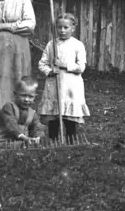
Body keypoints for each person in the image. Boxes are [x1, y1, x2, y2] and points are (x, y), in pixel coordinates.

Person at [37, 12, 90, 143]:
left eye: (66, 27)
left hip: (70, 87)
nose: (62, 30)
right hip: (54, 85)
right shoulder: (51, 45)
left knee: (69, 119)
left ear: (73, 28)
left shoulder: (77, 45)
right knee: (53, 118)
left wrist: (64, 65)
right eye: (59, 27)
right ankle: (53, 143)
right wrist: (50, 71)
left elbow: (80, 67)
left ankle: (71, 143)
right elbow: (42, 63)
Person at [0, 76, 45, 146]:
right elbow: (10, 124)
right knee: (20, 146)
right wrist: (24, 137)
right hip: (4, 141)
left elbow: (37, 127)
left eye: (30, 96)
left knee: (31, 145)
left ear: (35, 97)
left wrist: (37, 137)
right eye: (23, 95)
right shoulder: (8, 107)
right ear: (15, 94)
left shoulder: (32, 113)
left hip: (22, 142)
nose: (26, 99)